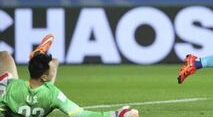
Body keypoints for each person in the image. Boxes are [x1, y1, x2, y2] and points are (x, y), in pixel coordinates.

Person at [0, 34, 140, 117]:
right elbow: (82, 115)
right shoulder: (53, 95)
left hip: (15, 97)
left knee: (5, 56)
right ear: (44, 77)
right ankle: (38, 56)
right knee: (54, 63)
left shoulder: (10, 86)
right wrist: (117, 114)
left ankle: (37, 57)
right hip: (41, 100)